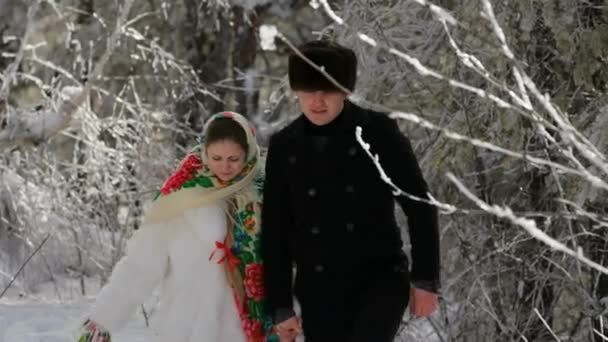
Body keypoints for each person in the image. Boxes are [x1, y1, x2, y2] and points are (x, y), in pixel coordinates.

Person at [261, 40, 441, 342]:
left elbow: (419, 204)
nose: (318, 101)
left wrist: (425, 279)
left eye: (328, 90)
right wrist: (280, 306)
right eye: (308, 90)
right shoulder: (284, 145)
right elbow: (275, 230)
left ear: (344, 90)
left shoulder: (378, 132)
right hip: (317, 288)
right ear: (296, 91)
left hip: (378, 279)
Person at [76, 112, 278, 342]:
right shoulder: (178, 198)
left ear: (249, 154)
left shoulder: (266, 195)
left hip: (249, 331)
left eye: (234, 159)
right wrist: (102, 319)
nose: (225, 167)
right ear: (204, 152)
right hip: (188, 330)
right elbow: (141, 266)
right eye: (216, 158)